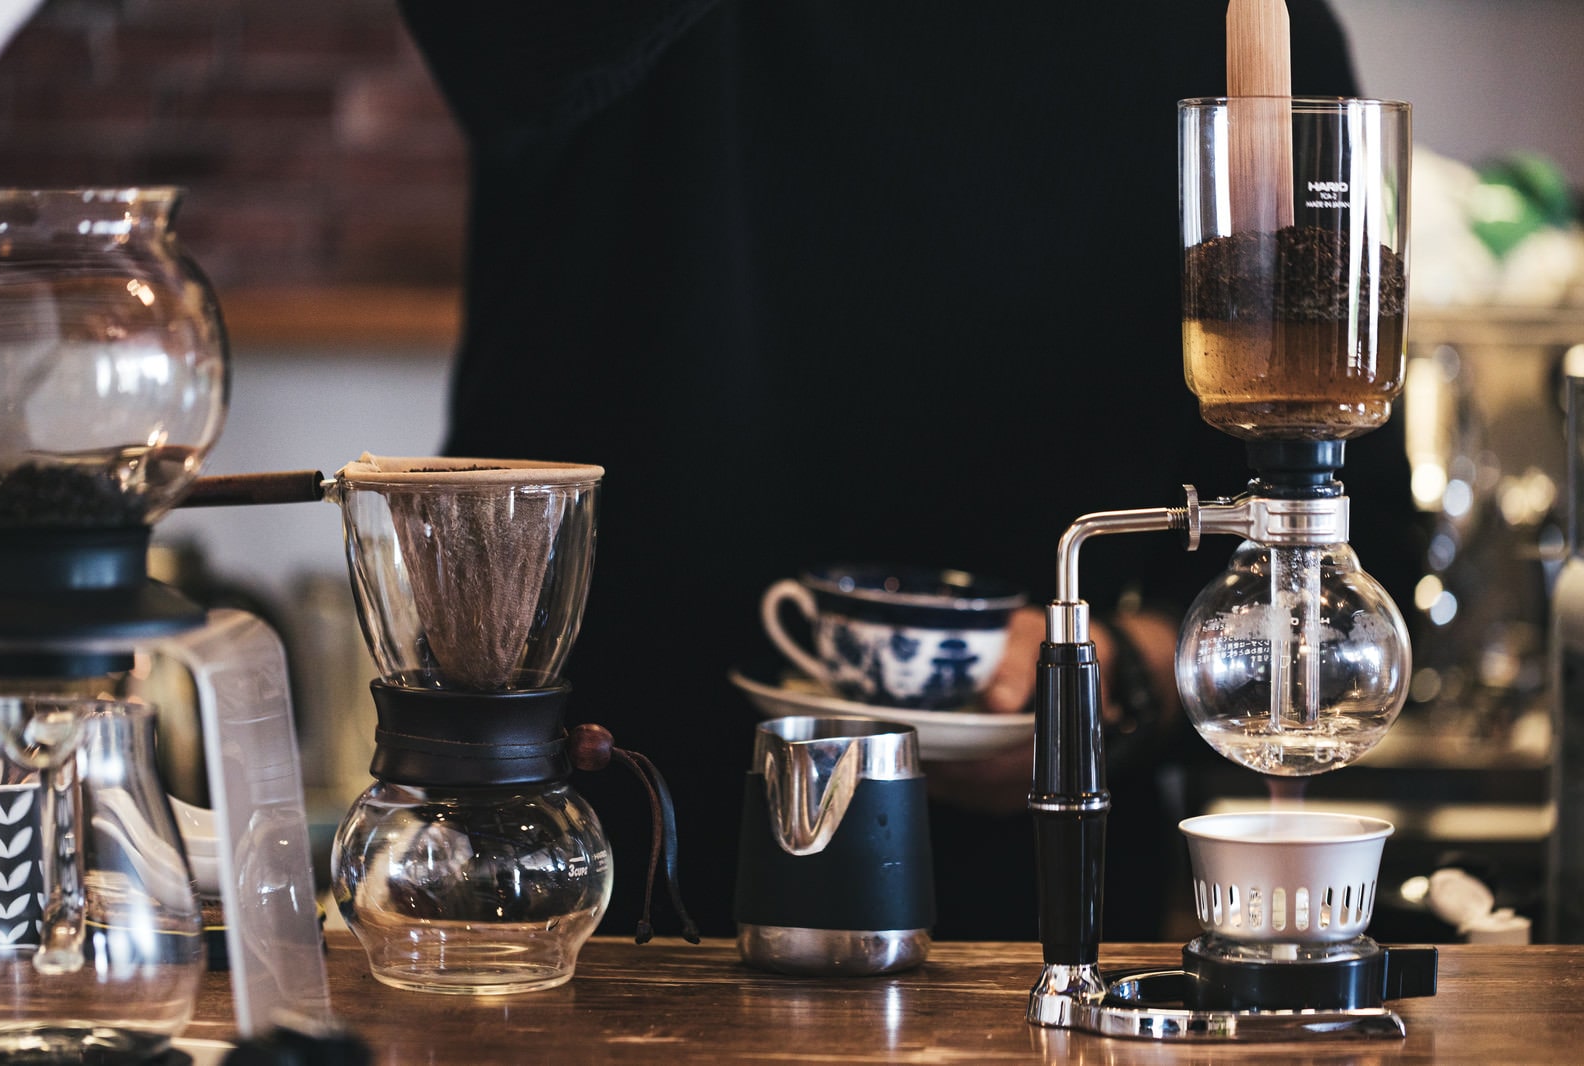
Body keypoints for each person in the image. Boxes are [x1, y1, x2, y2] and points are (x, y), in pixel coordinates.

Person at [394, 0, 1419, 941]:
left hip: (1022, 903)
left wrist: (1117, 681)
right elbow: (502, 51)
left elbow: (1338, 539)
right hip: (578, 857)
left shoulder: (1229, 31)